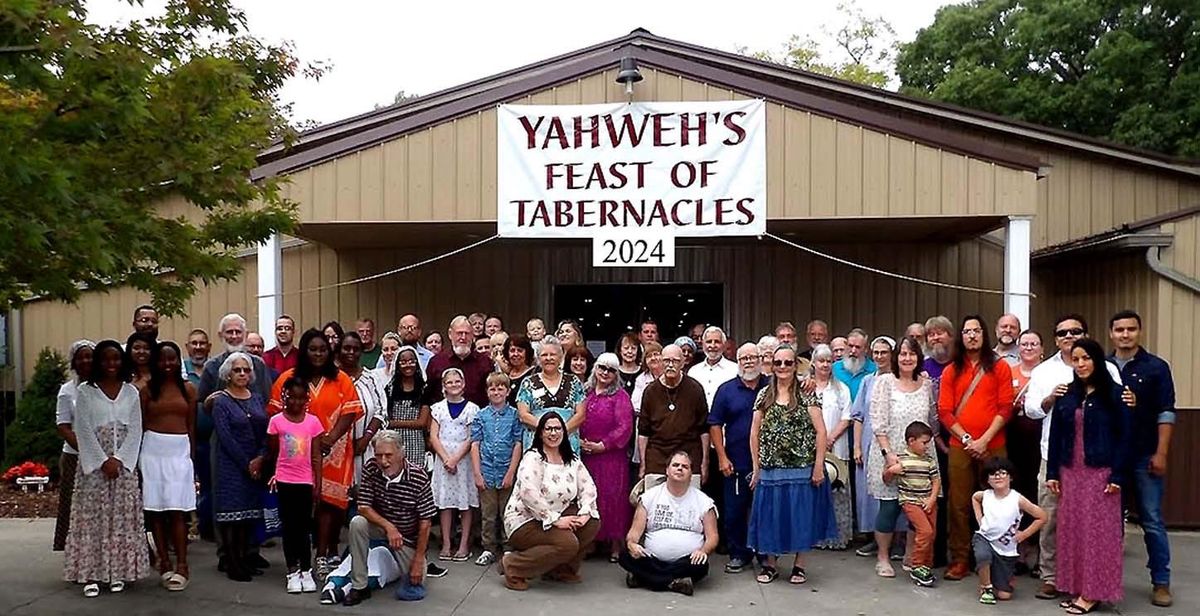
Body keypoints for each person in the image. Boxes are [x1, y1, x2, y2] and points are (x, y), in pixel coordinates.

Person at [1023, 314, 1122, 600]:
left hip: (1097, 463)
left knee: (1095, 528)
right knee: (1056, 522)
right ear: (1055, 339)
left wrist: (1118, 472)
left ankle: (1094, 585)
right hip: (1058, 460)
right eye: (1062, 333)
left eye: (1075, 331)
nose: (1069, 336)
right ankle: (1054, 578)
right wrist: (1050, 398)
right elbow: (1034, 412)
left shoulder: (1110, 374)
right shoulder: (1045, 372)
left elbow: (1120, 420)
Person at [268, 328, 362, 580]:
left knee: (328, 505)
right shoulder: (289, 378)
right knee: (299, 510)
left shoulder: (340, 378)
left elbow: (351, 410)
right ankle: (299, 562)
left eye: (322, 349)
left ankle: (321, 555)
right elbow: (275, 413)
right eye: (312, 349)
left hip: (334, 450)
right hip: (297, 456)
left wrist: (330, 438)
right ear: (304, 351)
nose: (318, 354)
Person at [1047, 338, 1131, 614]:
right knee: (1073, 531)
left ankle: (1094, 592)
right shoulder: (1067, 394)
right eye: (1076, 359)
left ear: (1097, 361)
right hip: (1070, 472)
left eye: (1087, 358)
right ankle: (1076, 587)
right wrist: (1052, 472)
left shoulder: (1116, 394)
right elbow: (1056, 435)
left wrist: (1117, 475)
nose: (1081, 364)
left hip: (1101, 472)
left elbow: (1124, 438)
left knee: (1098, 535)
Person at [63, 340, 149, 597]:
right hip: (94, 468)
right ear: (99, 362)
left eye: (116, 359)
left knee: (121, 521)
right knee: (94, 520)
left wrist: (120, 459)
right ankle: (91, 574)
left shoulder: (131, 392)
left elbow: (136, 429)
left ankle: (118, 572)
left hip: (123, 467)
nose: (111, 364)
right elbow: (83, 430)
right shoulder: (87, 392)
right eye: (106, 359)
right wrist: (102, 461)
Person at [747, 344, 836, 585]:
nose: (783, 367)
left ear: (795, 365)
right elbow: (754, 432)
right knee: (771, 518)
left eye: (788, 362)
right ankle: (771, 565)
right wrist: (756, 468)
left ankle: (799, 565)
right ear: (772, 366)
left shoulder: (807, 392)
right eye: (778, 363)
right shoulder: (764, 394)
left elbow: (820, 431)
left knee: (800, 517)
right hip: (771, 468)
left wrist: (818, 467)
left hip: (802, 467)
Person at [938, 315, 1014, 581]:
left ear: (984, 335)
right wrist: (970, 440)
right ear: (961, 336)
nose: (971, 335)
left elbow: (1006, 407)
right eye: (967, 331)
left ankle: (999, 559)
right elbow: (945, 412)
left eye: (976, 330)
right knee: (959, 504)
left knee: (998, 504)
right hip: (960, 446)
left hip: (994, 445)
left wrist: (984, 440)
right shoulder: (951, 370)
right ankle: (960, 559)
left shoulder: (1000, 367)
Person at [1109, 309, 1176, 607]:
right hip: (1110, 459)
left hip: (1145, 454)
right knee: (1111, 523)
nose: (1125, 334)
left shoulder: (1156, 368)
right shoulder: (1102, 365)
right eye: (1120, 329)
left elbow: (1165, 412)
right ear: (1111, 333)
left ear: (1139, 331)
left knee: (1151, 520)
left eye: (1131, 329)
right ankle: (1107, 582)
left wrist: (1161, 452)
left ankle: (1161, 582)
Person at [500, 412, 600, 591]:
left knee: (592, 522)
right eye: (548, 429)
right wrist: (555, 519)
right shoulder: (533, 458)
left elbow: (588, 487)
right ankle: (513, 566)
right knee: (568, 543)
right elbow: (528, 493)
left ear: (564, 432)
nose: (553, 433)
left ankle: (560, 570)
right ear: (540, 433)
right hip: (525, 520)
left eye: (557, 429)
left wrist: (585, 512)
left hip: (556, 517)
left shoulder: (572, 460)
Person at [868, 336, 938, 578]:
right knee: (888, 508)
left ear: (919, 358)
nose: (907, 358)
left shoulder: (926, 384)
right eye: (903, 354)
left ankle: (912, 555)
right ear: (896, 358)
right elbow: (878, 421)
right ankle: (883, 557)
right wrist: (889, 456)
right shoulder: (885, 382)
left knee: (918, 507)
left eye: (912, 354)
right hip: (891, 453)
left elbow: (932, 421)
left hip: (921, 457)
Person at [342, 430, 436, 606]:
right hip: (382, 527)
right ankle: (359, 586)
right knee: (357, 522)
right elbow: (363, 507)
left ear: (402, 453)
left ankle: (410, 562)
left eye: (388, 455)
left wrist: (418, 559)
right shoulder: (371, 467)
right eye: (379, 455)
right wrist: (389, 527)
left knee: (416, 581)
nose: (383, 461)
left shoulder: (418, 477)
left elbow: (426, 523)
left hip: (408, 538)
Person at [140, 341, 198, 591]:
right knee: (156, 510)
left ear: (178, 361)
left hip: (179, 452)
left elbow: (192, 426)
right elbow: (140, 425)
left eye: (172, 358)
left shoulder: (188, 390)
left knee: (178, 511)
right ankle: (164, 561)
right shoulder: (146, 391)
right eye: (162, 359)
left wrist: (192, 460)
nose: (167, 364)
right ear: (156, 362)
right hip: (152, 451)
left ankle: (182, 564)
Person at [621, 451, 718, 596]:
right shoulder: (649, 497)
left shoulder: (704, 501)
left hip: (686, 560)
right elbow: (634, 534)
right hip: (652, 558)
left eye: (685, 467)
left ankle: (645, 578)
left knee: (701, 566)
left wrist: (703, 551)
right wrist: (632, 545)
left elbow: (713, 537)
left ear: (691, 473)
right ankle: (674, 582)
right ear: (667, 470)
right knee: (625, 557)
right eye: (675, 465)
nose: (680, 469)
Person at [707, 342, 768, 573]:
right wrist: (722, 457)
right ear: (738, 362)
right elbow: (714, 424)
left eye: (753, 357)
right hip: (735, 463)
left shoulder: (771, 387)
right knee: (734, 512)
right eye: (744, 358)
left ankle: (764, 556)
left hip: (767, 464)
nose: (749, 362)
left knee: (763, 512)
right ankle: (738, 554)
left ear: (761, 360)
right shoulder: (726, 390)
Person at [210, 352, 269, 582]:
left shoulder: (255, 398)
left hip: (256, 464)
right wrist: (246, 464)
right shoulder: (221, 401)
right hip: (231, 466)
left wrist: (261, 457)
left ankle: (245, 559)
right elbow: (225, 436)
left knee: (248, 517)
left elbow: (266, 429)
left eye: (246, 370)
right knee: (232, 518)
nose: (242, 374)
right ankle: (232, 563)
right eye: (237, 370)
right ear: (227, 373)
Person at [266, 377, 324, 594]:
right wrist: (272, 475)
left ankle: (306, 570)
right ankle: (292, 571)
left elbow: (316, 456)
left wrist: (317, 483)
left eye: (302, 398)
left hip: (305, 482)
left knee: (304, 528)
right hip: (284, 480)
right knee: (289, 528)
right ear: (284, 397)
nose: (297, 403)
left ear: (307, 399)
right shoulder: (276, 422)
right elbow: (273, 453)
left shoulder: (313, 423)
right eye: (292, 398)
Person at [580, 352, 634, 562]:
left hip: (611, 456)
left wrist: (603, 445)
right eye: (602, 367)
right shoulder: (585, 392)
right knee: (590, 497)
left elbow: (625, 427)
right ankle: (592, 540)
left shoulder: (620, 396)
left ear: (616, 374)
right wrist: (581, 442)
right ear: (595, 368)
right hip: (587, 455)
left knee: (613, 498)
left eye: (611, 370)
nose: (605, 373)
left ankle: (615, 544)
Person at [972, 457, 1046, 605]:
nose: (998, 476)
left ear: (1010, 477)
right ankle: (986, 586)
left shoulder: (1017, 499)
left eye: (1002, 473)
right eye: (993, 474)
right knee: (982, 555)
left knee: (1004, 595)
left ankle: (1000, 578)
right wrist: (980, 521)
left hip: (1006, 548)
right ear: (987, 479)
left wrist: (1024, 534)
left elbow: (1042, 516)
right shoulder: (985, 495)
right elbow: (974, 498)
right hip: (985, 537)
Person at [470, 373, 523, 567]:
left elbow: (518, 443)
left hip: (506, 471)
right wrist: (477, 473)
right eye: (492, 388)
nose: (496, 391)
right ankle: (488, 548)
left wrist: (511, 472)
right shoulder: (481, 416)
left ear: (508, 391)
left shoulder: (515, 415)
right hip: (486, 472)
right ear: (487, 392)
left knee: (508, 512)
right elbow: (475, 444)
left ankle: (509, 547)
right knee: (488, 513)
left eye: (501, 388)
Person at [849, 336, 895, 558]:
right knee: (869, 493)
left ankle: (896, 540)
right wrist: (857, 446)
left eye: (884, 352)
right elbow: (857, 416)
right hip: (868, 442)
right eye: (875, 352)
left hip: (892, 443)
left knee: (893, 491)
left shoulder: (899, 379)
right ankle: (873, 539)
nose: (879, 357)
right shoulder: (868, 381)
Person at [638, 344, 709, 483]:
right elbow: (643, 432)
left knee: (690, 503)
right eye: (666, 361)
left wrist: (704, 462)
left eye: (675, 361)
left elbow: (704, 429)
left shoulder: (695, 389)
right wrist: (643, 464)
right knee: (654, 503)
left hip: (689, 456)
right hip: (657, 458)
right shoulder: (650, 391)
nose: (670, 365)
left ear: (683, 363)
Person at [882, 421, 941, 587]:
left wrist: (932, 499)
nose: (927, 446)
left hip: (928, 501)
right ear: (911, 441)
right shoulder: (900, 459)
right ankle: (917, 565)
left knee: (931, 534)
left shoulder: (929, 460)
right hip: (910, 502)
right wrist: (890, 471)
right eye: (924, 443)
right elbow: (886, 480)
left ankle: (926, 566)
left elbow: (936, 481)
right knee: (925, 531)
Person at [429, 367, 478, 561]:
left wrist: (456, 458)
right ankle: (447, 543)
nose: (454, 385)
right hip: (443, 460)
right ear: (444, 386)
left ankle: (464, 544)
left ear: (463, 384)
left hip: (463, 461)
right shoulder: (438, 408)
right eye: (449, 382)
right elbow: (433, 435)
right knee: (445, 503)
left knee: (464, 503)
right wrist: (446, 458)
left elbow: (471, 436)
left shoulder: (472, 409)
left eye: (457, 381)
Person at [1007, 329, 1044, 573]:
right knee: (1016, 493)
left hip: (1040, 439)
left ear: (1042, 348)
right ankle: (1018, 551)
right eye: (1025, 344)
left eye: (1034, 344)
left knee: (1038, 493)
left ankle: (1040, 552)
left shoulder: (1047, 372)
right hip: (1014, 438)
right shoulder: (1008, 372)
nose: (1029, 348)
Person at [811, 344, 853, 550]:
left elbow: (847, 417)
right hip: (811, 449)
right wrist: (818, 440)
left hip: (837, 446)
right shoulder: (806, 388)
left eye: (828, 361)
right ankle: (815, 536)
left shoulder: (841, 388)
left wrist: (829, 438)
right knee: (815, 493)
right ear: (813, 363)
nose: (825, 364)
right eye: (821, 360)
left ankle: (837, 538)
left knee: (837, 491)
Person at [54, 339, 93, 552]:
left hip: (103, 456)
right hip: (74, 455)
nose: (86, 361)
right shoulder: (67, 391)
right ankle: (73, 551)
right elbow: (63, 425)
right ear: (74, 362)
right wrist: (85, 448)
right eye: (81, 357)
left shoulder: (104, 388)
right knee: (72, 503)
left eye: (89, 356)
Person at [517, 336, 587, 452]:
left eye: (553, 354)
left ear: (560, 357)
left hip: (567, 443)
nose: (548, 358)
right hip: (537, 443)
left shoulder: (573, 381)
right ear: (538, 358)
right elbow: (523, 415)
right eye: (544, 355)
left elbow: (580, 415)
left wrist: (561, 431)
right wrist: (547, 430)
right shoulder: (528, 383)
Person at [340, 333, 388, 486]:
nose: (351, 353)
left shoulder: (371, 378)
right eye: (346, 348)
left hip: (367, 449)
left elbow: (381, 411)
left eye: (356, 349)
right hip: (337, 451)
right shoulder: (332, 379)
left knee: (366, 497)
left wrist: (365, 438)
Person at [424, 315, 494, 407]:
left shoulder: (485, 362)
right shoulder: (436, 362)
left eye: (467, 333)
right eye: (459, 333)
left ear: (473, 335)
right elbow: (428, 394)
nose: (463, 337)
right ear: (450, 334)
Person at [385, 346, 430, 465]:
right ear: (397, 365)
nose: (408, 365)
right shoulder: (389, 389)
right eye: (403, 362)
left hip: (416, 442)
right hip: (394, 442)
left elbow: (422, 422)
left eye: (411, 361)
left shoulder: (424, 389)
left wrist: (394, 423)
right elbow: (386, 418)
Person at [691, 326, 738, 408]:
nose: (712, 345)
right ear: (703, 344)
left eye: (717, 342)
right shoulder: (693, 371)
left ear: (724, 345)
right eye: (709, 342)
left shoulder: (735, 370)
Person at [833, 328, 876, 400]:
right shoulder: (834, 368)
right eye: (850, 346)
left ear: (866, 349)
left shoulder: (874, 371)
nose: (853, 351)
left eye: (858, 347)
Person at [501, 334, 536, 406]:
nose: (516, 354)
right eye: (512, 351)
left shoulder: (535, 374)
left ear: (527, 353)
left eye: (520, 350)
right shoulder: (505, 377)